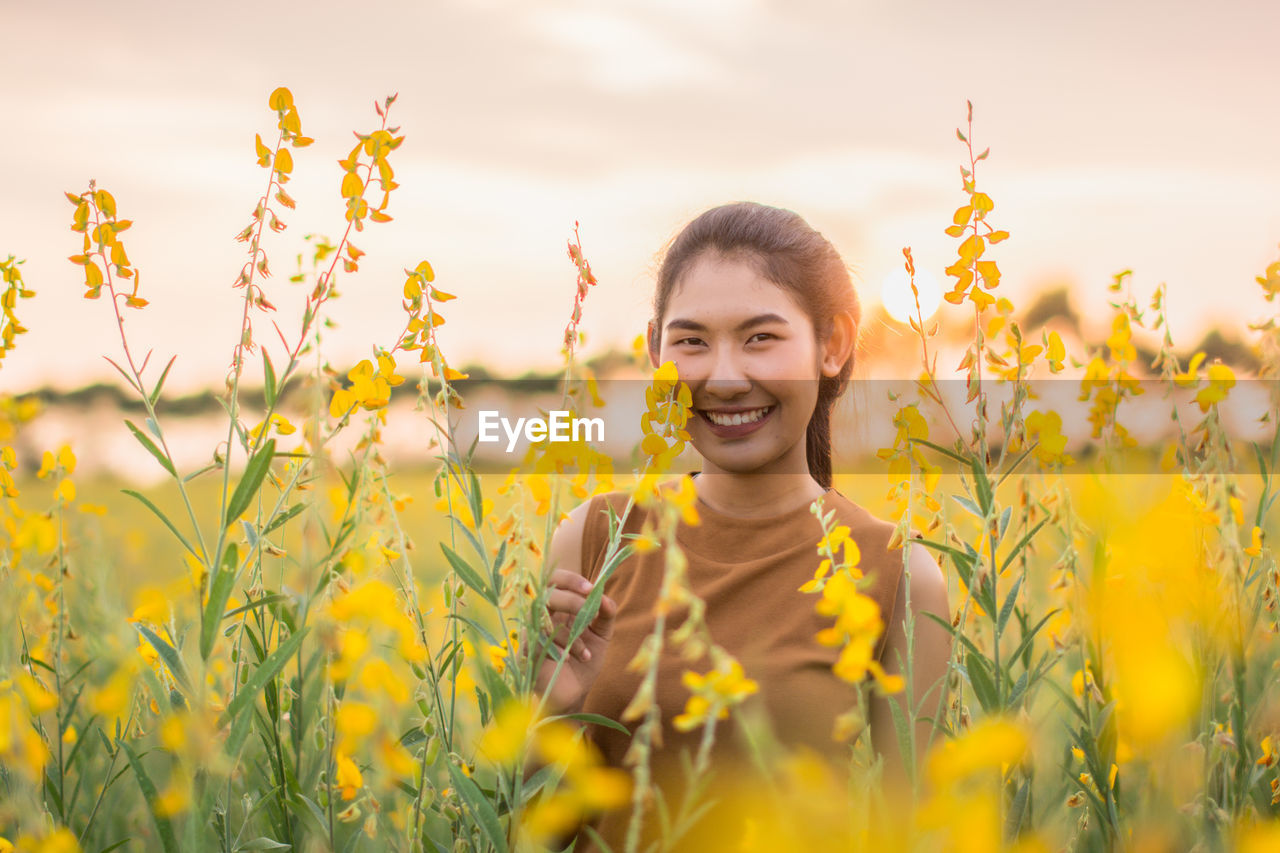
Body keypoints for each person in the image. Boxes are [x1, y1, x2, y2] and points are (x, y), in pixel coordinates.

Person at [535, 202, 950, 850]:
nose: (724, 377)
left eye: (761, 337)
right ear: (654, 350)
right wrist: (556, 711)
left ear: (834, 343)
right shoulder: (594, 538)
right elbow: (532, 832)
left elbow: (916, 833)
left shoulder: (897, 574)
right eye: (692, 341)